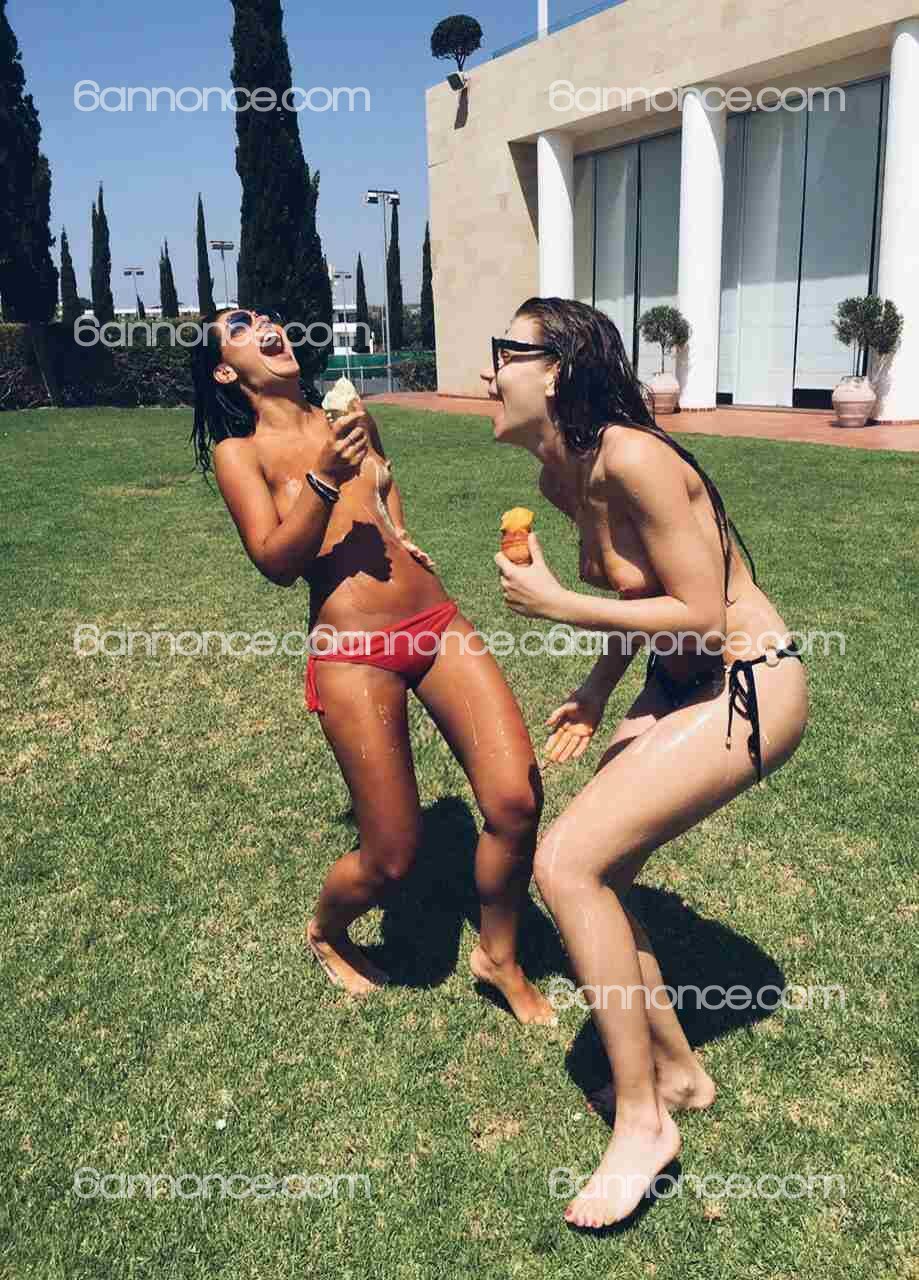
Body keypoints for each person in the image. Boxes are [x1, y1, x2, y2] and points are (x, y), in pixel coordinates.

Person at [485, 297, 809, 1226]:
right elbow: (642, 590)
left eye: (504, 352)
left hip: (748, 681)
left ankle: (642, 1123)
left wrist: (558, 606)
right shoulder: (560, 471)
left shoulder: (635, 456)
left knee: (567, 864)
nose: (487, 372)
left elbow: (701, 613)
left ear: (555, 371)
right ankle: (676, 1074)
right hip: (676, 681)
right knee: (601, 866)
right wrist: (597, 688)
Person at [189, 307, 554, 1024]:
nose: (266, 323)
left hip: (437, 623)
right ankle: (326, 931)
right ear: (226, 372)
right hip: (353, 653)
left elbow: (384, 479)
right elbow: (275, 563)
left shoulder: (348, 411)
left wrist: (398, 527)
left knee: (516, 800)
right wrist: (324, 479)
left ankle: (499, 956)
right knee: (391, 858)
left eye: (266, 316)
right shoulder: (241, 453)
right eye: (241, 324)